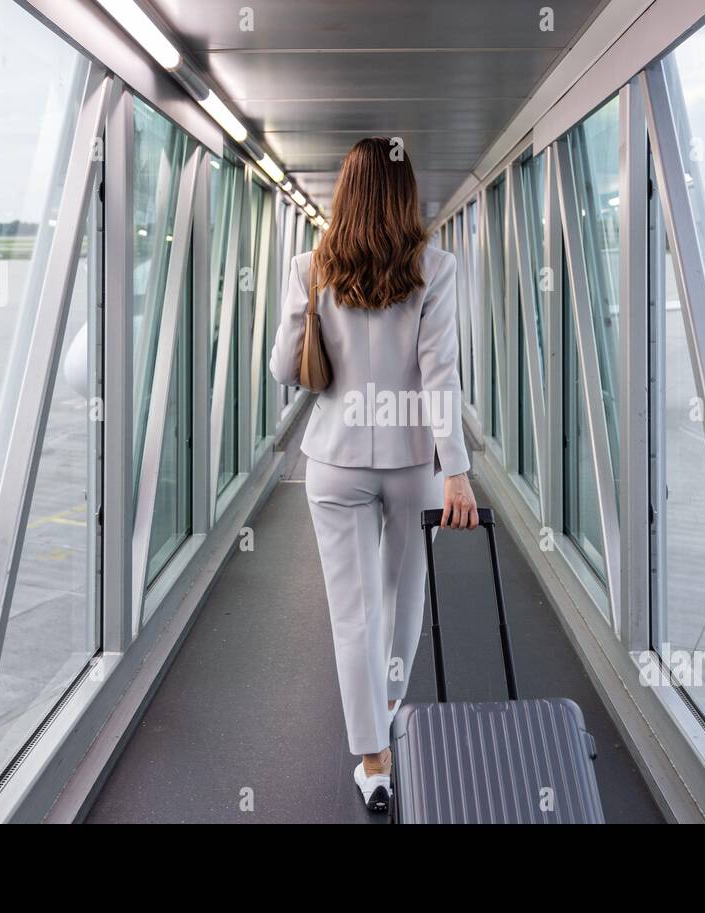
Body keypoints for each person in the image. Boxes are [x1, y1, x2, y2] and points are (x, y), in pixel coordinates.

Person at [269, 137, 477, 814]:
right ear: (405, 191)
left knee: (352, 612)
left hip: (333, 459)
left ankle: (373, 759)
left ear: (345, 191)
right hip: (413, 460)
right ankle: (387, 707)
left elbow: (282, 368)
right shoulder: (436, 267)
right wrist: (458, 470)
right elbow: (440, 375)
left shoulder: (309, 265)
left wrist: (308, 312)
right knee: (402, 598)